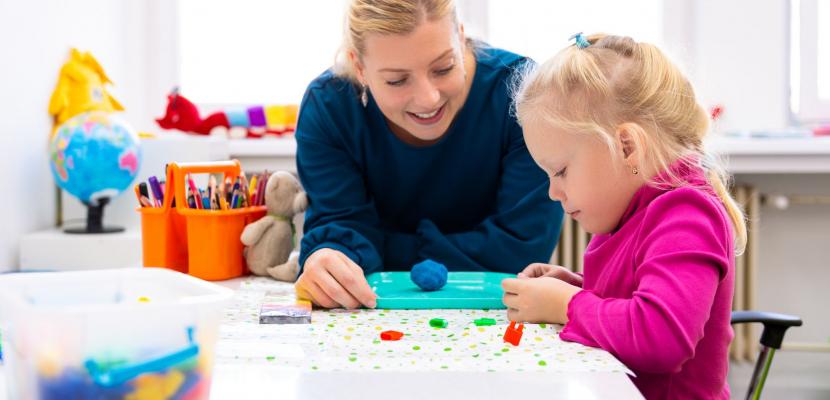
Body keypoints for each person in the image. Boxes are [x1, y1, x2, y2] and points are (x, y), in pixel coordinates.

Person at [503, 33, 746, 399]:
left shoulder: (686, 213)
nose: (553, 192)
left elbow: (660, 337)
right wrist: (579, 287)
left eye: (561, 171)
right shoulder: (634, 208)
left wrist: (566, 305)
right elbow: (639, 298)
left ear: (627, 147)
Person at [294, 0, 563, 310]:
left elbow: (520, 250)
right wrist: (328, 260)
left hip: (498, 313)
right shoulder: (328, 108)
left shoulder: (523, 93)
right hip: (374, 318)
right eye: (397, 80)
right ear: (359, 67)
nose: (428, 98)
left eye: (444, 67)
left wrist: (381, 249)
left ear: (461, 38)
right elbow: (341, 233)